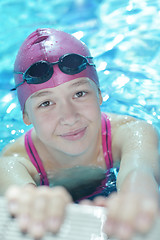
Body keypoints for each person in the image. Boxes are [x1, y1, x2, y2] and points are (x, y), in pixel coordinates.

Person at [0, 28, 159, 239]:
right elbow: (20, 196)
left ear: (100, 95)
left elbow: (139, 172)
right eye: (46, 103)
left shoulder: (132, 132)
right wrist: (33, 203)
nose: (69, 117)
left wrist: (135, 199)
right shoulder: (14, 161)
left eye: (79, 93)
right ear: (26, 116)